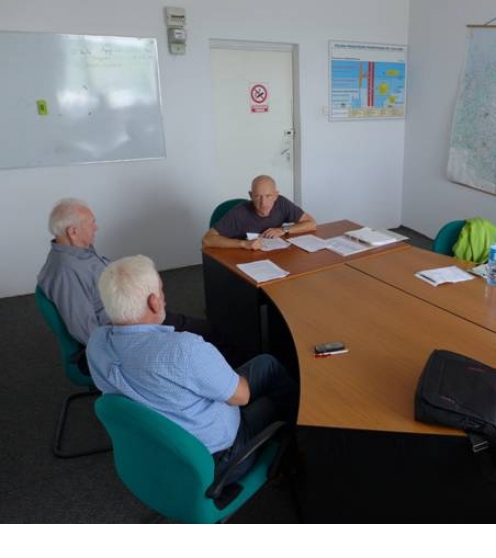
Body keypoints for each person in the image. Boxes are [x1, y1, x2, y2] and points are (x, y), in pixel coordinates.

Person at [87, 255, 299, 483]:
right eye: (161, 290)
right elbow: (241, 396)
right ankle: (298, 445)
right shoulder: (183, 349)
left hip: (163, 448)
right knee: (270, 395)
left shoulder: (96, 343)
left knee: (265, 364)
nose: (164, 298)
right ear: (154, 302)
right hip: (221, 459)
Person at [37, 198, 224, 355]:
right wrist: (131, 349)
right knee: (204, 340)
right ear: (73, 232)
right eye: (91, 223)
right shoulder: (65, 273)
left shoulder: (79, 253)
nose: (96, 227)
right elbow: (86, 331)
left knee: (207, 331)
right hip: (130, 332)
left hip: (139, 315)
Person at [202, 175, 316, 250]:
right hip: (243, 259)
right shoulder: (239, 213)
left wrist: (283, 230)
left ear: (276, 195)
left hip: (273, 255)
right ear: (251, 196)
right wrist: (243, 244)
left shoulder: (282, 203)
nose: (263, 203)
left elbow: (311, 223)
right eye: (257, 196)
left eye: (268, 196)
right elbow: (207, 240)